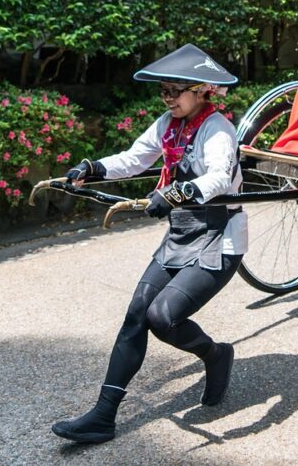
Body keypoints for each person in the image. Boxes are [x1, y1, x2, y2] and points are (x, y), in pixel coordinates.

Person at [51, 44, 245, 445]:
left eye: (176, 90)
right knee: (137, 314)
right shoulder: (167, 125)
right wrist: (94, 168)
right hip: (181, 234)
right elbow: (135, 158)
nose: (169, 98)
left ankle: (215, 355)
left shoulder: (218, 129)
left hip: (218, 237)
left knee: (164, 317)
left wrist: (174, 194)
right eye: (165, 91)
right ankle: (103, 417)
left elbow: (218, 180)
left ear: (202, 90)